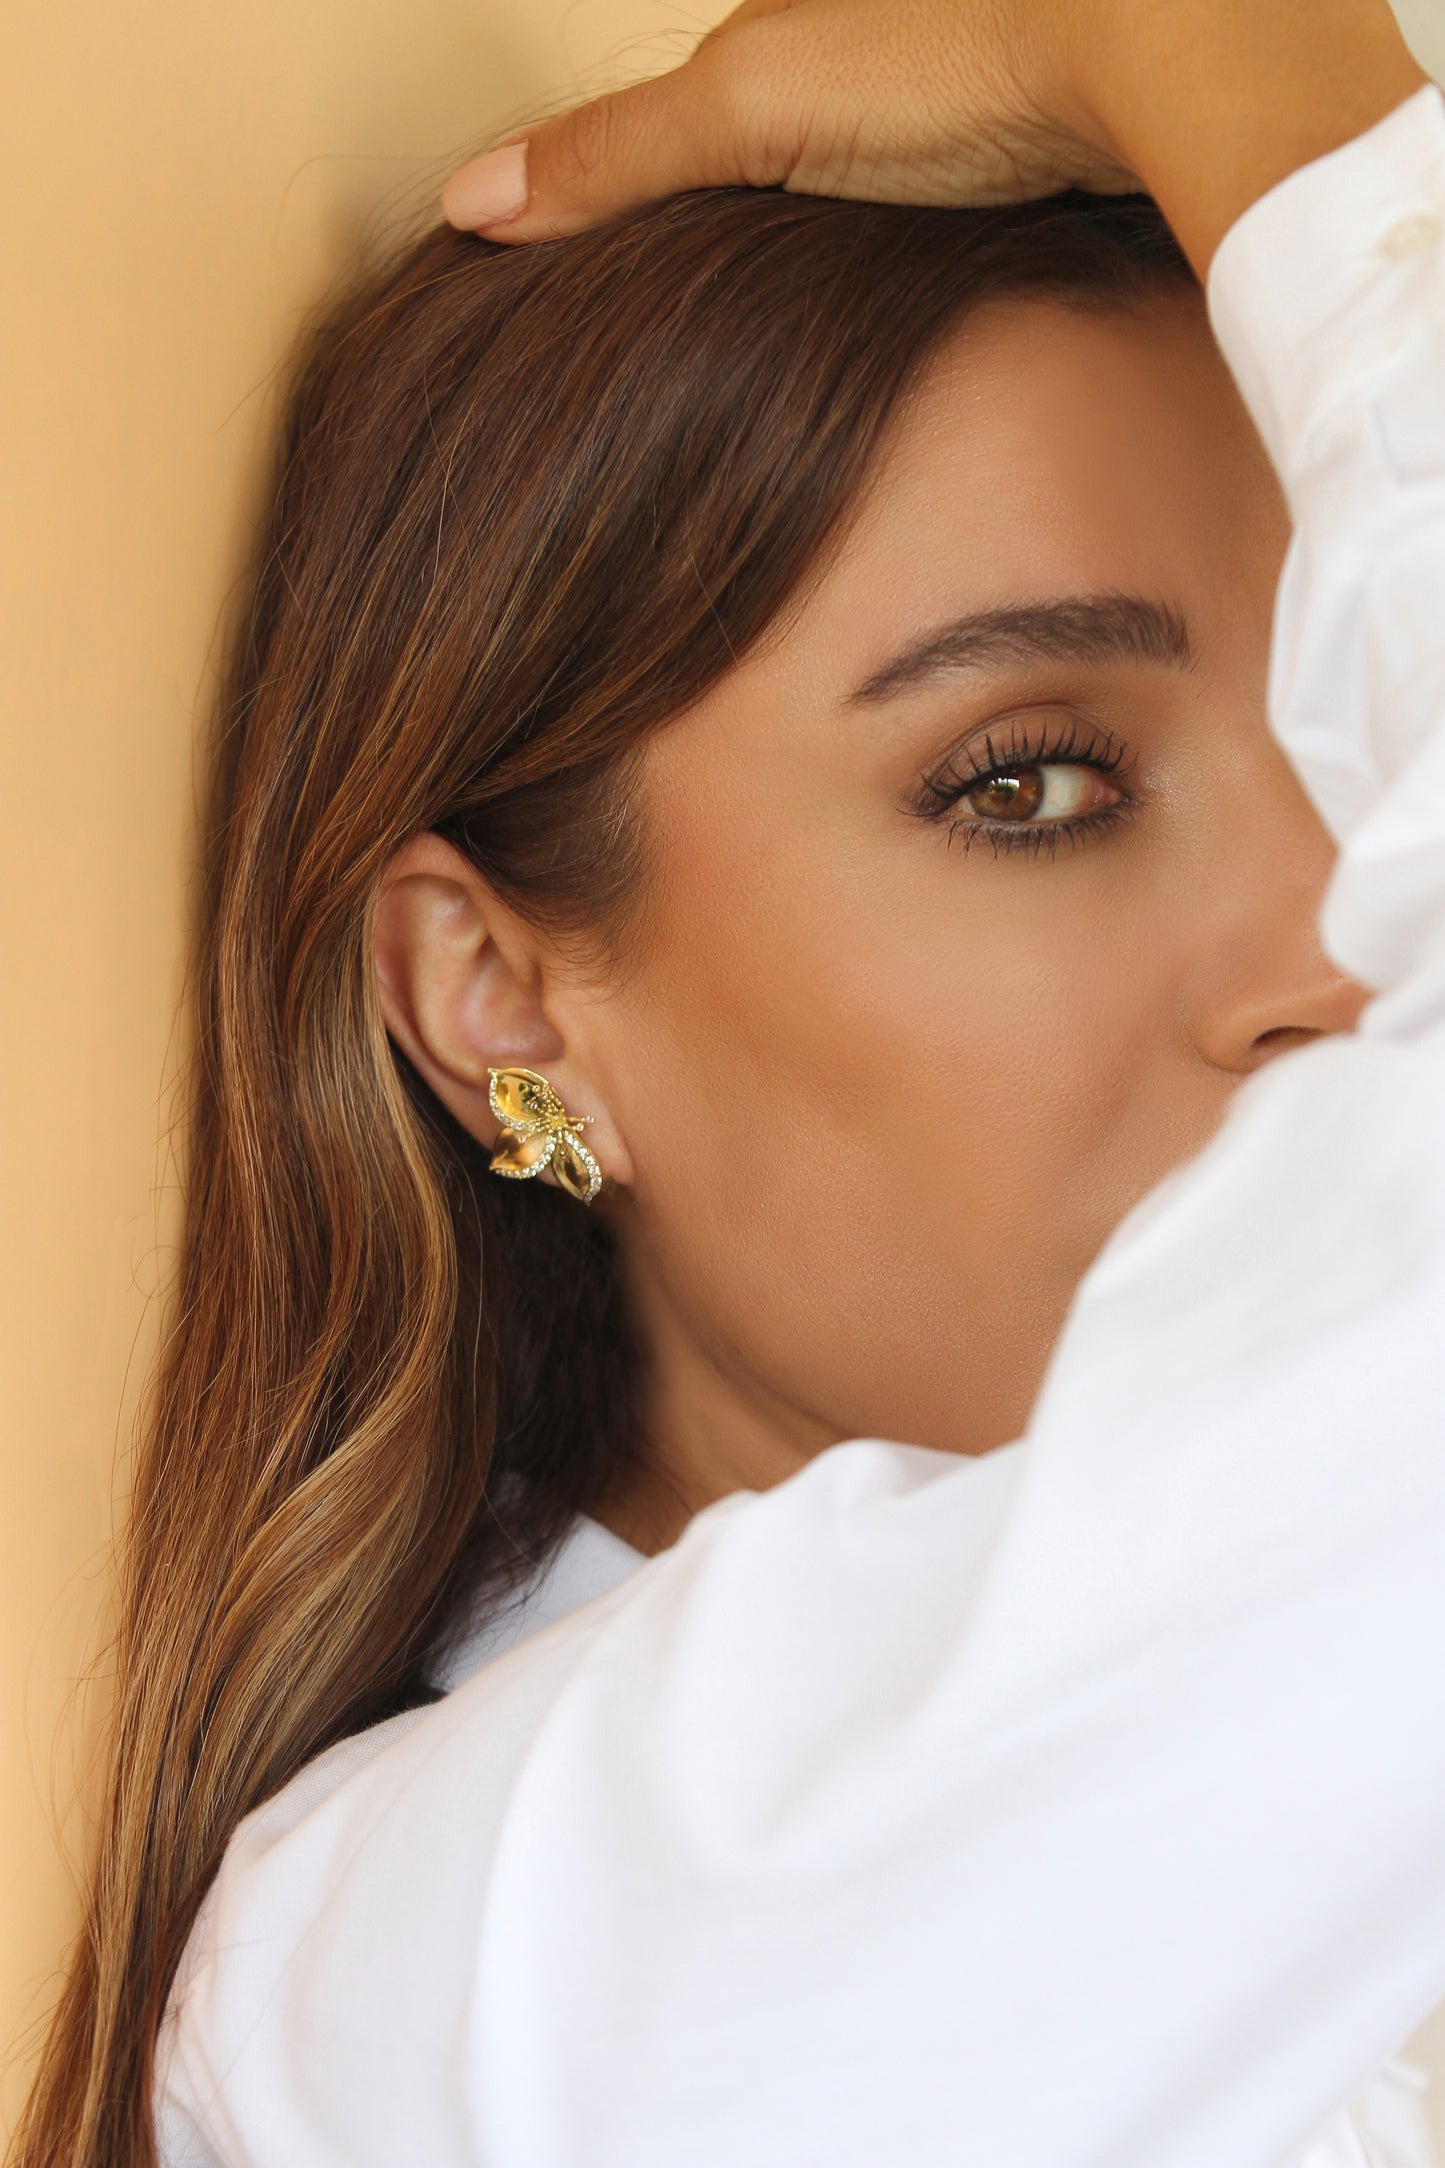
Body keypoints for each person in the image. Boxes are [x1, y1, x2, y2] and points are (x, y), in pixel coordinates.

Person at [13, 0, 1445, 2163]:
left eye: (1355, 740)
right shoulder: (456, 1987)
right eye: (1033, 782)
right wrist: (1231, 68)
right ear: (496, 990)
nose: (1336, 955)